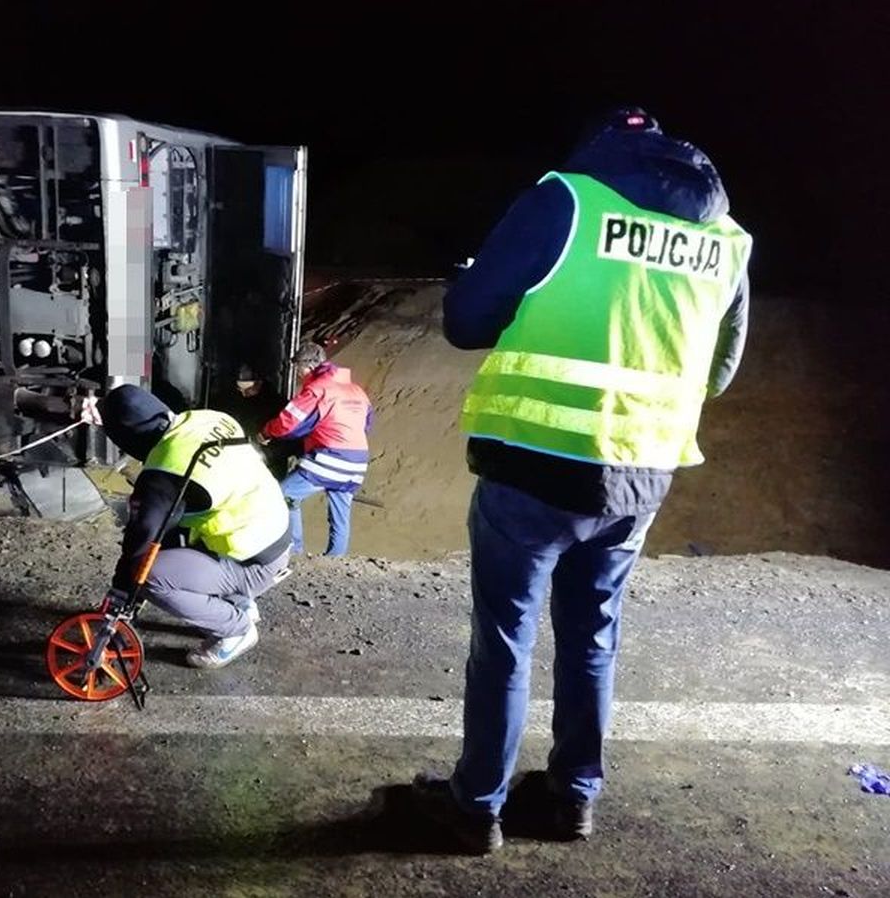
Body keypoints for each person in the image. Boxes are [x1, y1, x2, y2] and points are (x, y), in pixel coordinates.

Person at [410, 107, 752, 852]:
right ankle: (572, 801)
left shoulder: (566, 198)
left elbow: (468, 322)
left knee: (505, 638)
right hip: (643, 470)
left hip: (534, 462)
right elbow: (719, 374)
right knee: (593, 633)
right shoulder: (727, 239)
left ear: (602, 150)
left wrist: (472, 281)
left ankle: (477, 808)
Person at [94, 384, 292, 668]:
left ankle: (236, 629)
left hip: (253, 563)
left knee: (149, 575)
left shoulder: (163, 475)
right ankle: (238, 601)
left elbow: (140, 542)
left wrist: (121, 593)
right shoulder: (206, 418)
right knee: (175, 535)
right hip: (271, 530)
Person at [259, 342, 373, 556]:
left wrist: (266, 432)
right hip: (357, 463)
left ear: (308, 367)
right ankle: (336, 560)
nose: (299, 374)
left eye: (298, 369)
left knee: (283, 495)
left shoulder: (317, 389)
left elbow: (289, 420)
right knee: (340, 516)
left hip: (330, 458)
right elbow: (366, 424)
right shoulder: (357, 391)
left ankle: (295, 551)